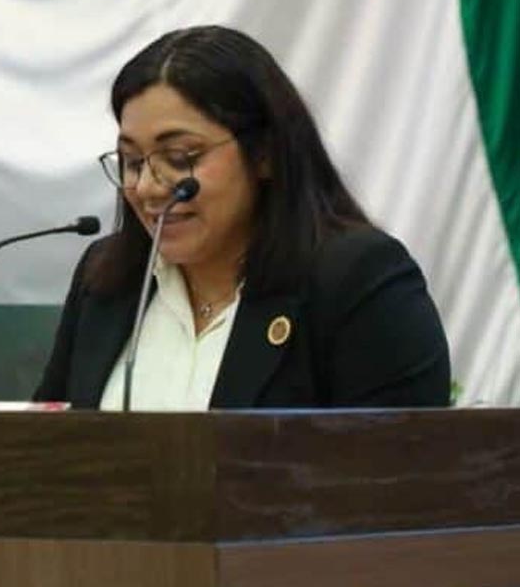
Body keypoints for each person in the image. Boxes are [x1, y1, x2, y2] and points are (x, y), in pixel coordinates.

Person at [34, 25, 450, 410]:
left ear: (264, 153)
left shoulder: (354, 278)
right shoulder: (106, 281)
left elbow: (407, 459)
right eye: (132, 161)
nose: (147, 188)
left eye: (180, 157)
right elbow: (44, 447)